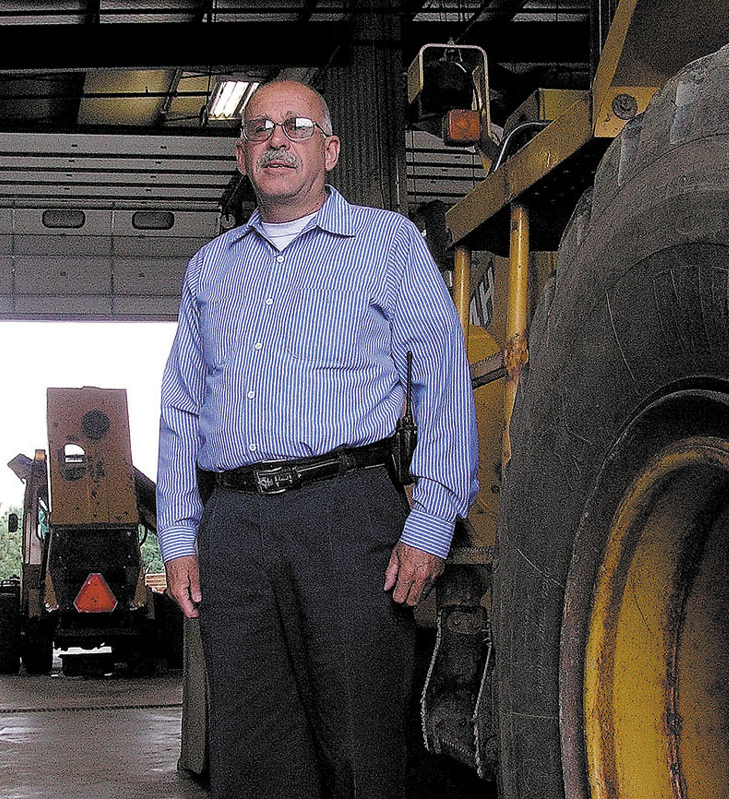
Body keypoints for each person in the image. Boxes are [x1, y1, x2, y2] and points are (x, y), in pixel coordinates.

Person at [157, 80, 478, 799]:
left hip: (348, 515)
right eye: (261, 127)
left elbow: (442, 373)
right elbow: (181, 404)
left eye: (297, 126)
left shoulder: (387, 242)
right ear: (242, 155)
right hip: (234, 528)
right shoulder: (211, 268)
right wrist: (179, 533)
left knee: (361, 746)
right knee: (251, 751)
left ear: (329, 149)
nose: (278, 138)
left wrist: (431, 517)